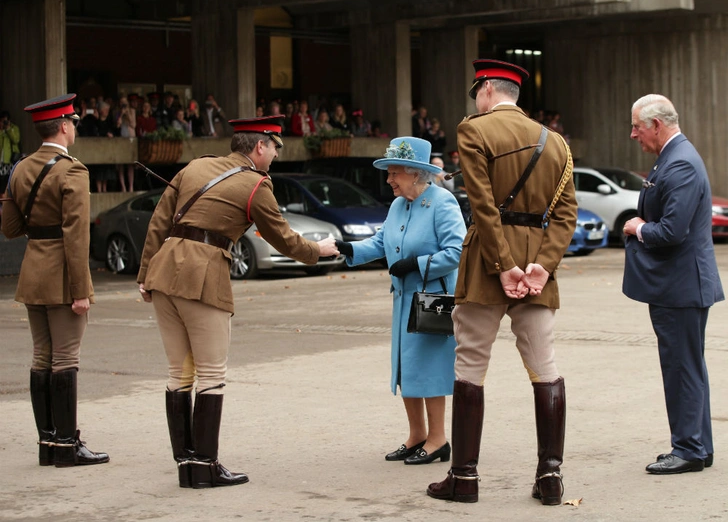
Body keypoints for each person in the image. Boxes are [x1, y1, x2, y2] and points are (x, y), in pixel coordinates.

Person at [136, 115, 339, 489]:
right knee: (211, 374)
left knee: (178, 372)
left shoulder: (195, 167)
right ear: (260, 146)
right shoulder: (255, 184)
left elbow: (159, 220)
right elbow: (282, 237)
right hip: (203, 275)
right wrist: (318, 250)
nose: (276, 155)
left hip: (164, 272)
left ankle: (186, 463)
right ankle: (205, 466)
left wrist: (145, 273)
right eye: (275, 147)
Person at [427, 59, 578, 505]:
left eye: (478, 90)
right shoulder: (556, 143)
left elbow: (483, 206)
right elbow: (566, 214)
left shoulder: (474, 129)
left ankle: (464, 478)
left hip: (490, 262)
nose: (476, 98)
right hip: (536, 263)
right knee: (544, 366)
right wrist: (541, 266)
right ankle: (550, 478)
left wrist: (504, 264)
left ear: (489, 89)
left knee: (470, 363)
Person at [335, 137, 466, 466]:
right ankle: (417, 435)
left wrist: (418, 264)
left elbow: (457, 251)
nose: (389, 179)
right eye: (390, 173)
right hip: (403, 301)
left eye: (394, 173)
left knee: (431, 370)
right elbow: (382, 241)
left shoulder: (442, 202)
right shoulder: (398, 205)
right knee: (407, 370)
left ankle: (438, 441)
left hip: (431, 301)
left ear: (415, 174)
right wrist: (350, 249)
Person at [1, 93, 109, 468]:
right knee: (65, 358)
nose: (74, 127)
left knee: (42, 356)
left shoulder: (21, 168)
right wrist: (81, 291)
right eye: (74, 123)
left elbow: (12, 228)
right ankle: (67, 445)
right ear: (64, 126)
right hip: (63, 275)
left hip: (33, 271)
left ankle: (48, 444)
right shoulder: (72, 170)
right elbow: (77, 235)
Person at [623, 94, 724, 475]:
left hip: (680, 287)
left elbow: (672, 230)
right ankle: (698, 446)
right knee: (689, 367)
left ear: (656, 125)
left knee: (681, 368)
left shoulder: (679, 162)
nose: (633, 134)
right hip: (682, 285)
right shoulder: (675, 156)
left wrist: (638, 227)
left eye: (637, 126)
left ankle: (688, 449)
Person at [0, 110, 21, 193]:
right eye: (2, 121)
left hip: (10, 159)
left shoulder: (14, 128)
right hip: (1, 159)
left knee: (8, 179)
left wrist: (8, 129)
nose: (3, 123)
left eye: (5, 121)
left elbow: (16, 140)